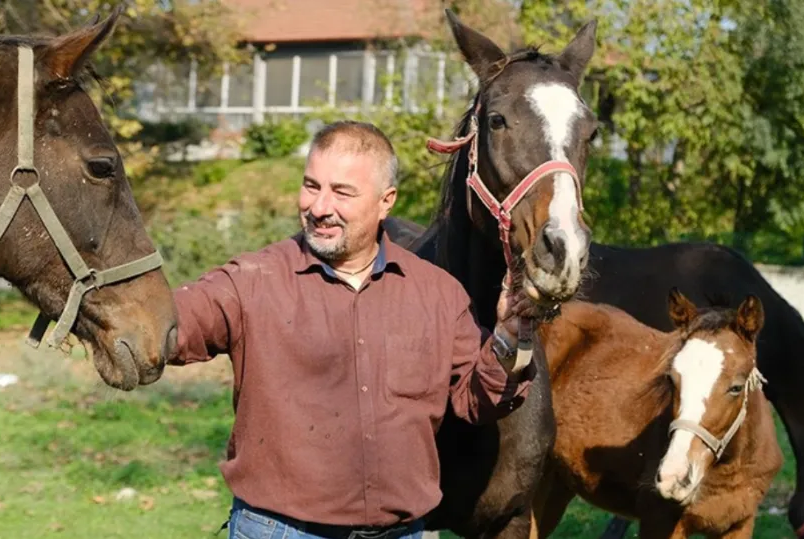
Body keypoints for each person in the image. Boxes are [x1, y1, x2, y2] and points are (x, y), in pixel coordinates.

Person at [170, 120, 536, 539]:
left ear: (386, 202)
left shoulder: (437, 294)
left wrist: (508, 335)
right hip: (280, 531)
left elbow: (478, 399)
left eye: (342, 192)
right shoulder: (252, 279)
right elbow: (170, 324)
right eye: (311, 186)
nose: (320, 207)